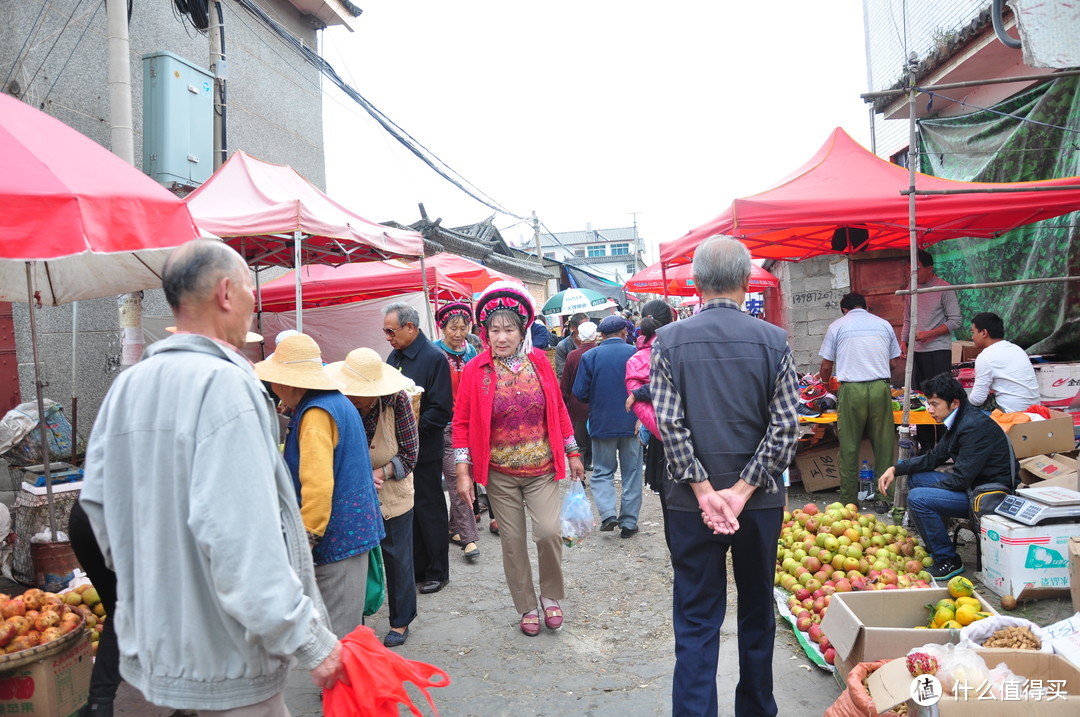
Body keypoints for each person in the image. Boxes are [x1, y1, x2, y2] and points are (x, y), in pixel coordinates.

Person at [80, 240, 346, 715]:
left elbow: (97, 510)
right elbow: (244, 539)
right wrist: (310, 640)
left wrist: (155, 587)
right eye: (250, 289)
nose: (253, 303)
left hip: (157, 652)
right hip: (229, 659)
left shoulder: (128, 385)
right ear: (226, 292)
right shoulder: (226, 385)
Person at [651, 235, 799, 717]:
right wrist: (740, 490)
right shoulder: (774, 341)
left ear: (695, 284)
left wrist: (703, 489)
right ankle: (756, 708)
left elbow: (669, 426)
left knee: (696, 616)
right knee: (757, 611)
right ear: (744, 281)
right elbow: (785, 427)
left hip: (689, 506)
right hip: (757, 505)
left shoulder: (669, 341)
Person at [453, 281, 585, 636]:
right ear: (485, 332)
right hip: (500, 474)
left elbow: (557, 410)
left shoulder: (540, 362)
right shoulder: (475, 371)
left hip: (541, 469)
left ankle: (550, 596)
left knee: (547, 533)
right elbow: (461, 423)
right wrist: (463, 473)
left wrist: (573, 451)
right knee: (512, 544)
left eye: (509, 329)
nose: (501, 337)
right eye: (494, 330)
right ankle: (526, 605)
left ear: (522, 331)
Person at [255, 334, 385, 639]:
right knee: (347, 627)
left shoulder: (315, 415)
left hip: (337, 536)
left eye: (276, 381)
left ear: (291, 383)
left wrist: (307, 541)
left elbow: (317, 486)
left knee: (338, 634)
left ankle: (341, 688)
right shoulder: (335, 402)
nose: (274, 389)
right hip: (352, 528)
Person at [878, 373, 1018, 580]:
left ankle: (948, 560)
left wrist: (925, 494)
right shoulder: (958, 419)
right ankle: (937, 546)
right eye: (928, 403)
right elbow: (934, 458)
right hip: (973, 486)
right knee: (917, 479)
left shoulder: (973, 427)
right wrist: (895, 469)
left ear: (954, 402)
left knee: (918, 498)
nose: (930, 409)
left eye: (935, 404)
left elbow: (960, 480)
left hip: (988, 496)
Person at [326, 348, 419, 648]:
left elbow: (410, 453)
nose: (356, 399)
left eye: (362, 394)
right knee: (356, 564)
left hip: (393, 494)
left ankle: (401, 620)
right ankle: (356, 626)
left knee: (397, 558)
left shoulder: (397, 401)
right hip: (352, 495)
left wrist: (382, 472)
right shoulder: (338, 404)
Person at [383, 302, 455, 594]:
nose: (388, 337)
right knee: (407, 509)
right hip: (398, 449)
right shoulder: (394, 356)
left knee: (430, 507)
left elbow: (440, 409)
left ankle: (438, 571)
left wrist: (411, 432)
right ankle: (417, 567)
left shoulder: (433, 358)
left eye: (391, 331)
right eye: (386, 332)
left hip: (424, 447)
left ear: (410, 327)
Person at [818, 292, 901, 511]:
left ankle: (848, 501)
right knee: (884, 445)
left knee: (849, 446)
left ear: (844, 309)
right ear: (865, 307)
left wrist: (826, 385)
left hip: (851, 390)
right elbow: (893, 362)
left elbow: (826, 367)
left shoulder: (837, 326)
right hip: (880, 388)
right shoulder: (884, 325)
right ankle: (884, 499)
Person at [573, 314, 643, 538]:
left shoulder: (591, 356)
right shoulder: (635, 353)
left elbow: (580, 393)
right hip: (632, 422)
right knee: (632, 473)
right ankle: (629, 522)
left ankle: (608, 515)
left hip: (601, 423)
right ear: (624, 332)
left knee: (603, 471)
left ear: (601, 335)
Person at [624, 299, 676, 547]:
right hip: (693, 431)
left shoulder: (639, 357)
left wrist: (639, 394)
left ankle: (678, 559)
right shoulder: (679, 347)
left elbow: (657, 386)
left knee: (671, 507)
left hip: (662, 441)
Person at [433, 302, 482, 561]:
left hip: (469, 423)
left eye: (464, 328)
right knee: (456, 478)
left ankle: (454, 527)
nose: (459, 333)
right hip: (445, 425)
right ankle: (469, 537)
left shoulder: (471, 351)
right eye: (453, 328)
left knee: (467, 475)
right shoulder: (433, 353)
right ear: (442, 328)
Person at [968, 311, 1039, 414]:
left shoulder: (985, 356)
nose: (972, 337)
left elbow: (977, 399)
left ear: (984, 333)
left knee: (966, 409)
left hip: (1011, 413)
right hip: (1034, 410)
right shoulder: (1017, 349)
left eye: (973, 332)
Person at [559, 321, 599, 471]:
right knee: (595, 441)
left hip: (577, 406)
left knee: (579, 443)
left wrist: (564, 403)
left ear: (579, 338)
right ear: (595, 336)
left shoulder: (572, 355)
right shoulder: (600, 353)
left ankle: (580, 472)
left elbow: (565, 383)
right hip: (597, 405)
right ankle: (590, 465)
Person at [554, 312, 589, 379]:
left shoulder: (593, 343)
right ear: (573, 328)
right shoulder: (563, 346)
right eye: (583, 327)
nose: (586, 330)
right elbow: (562, 373)